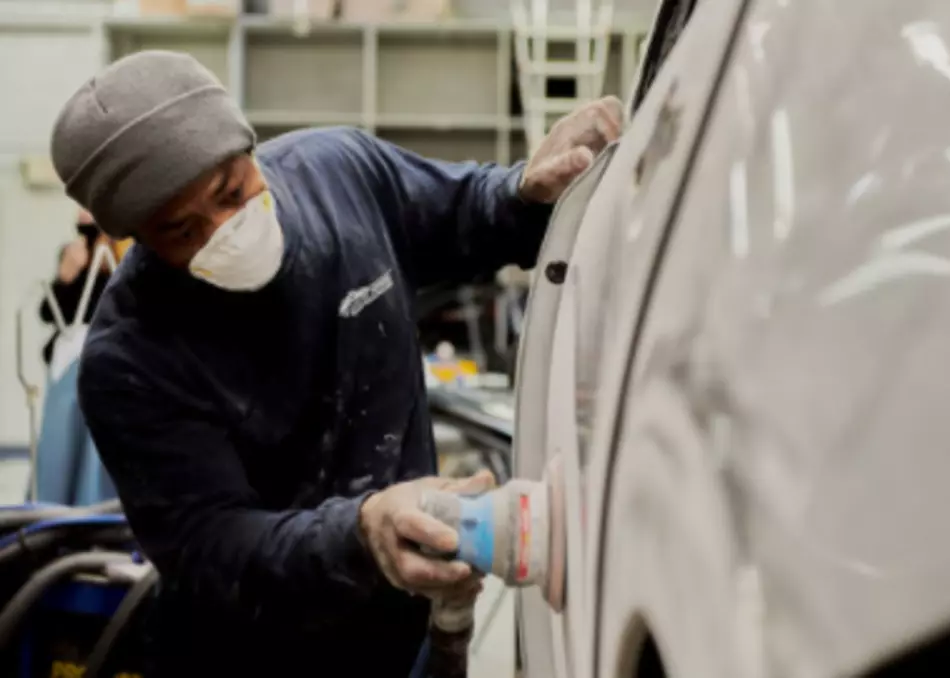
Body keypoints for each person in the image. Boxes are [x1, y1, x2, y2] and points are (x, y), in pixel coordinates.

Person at [49, 50, 621, 677]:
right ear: (136, 236)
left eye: (231, 192)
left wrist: (527, 191)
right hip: (252, 657)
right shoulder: (130, 358)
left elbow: (467, 213)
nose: (223, 230)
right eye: (181, 231)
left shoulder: (339, 176)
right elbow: (215, 550)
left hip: (403, 630)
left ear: (246, 147)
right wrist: (361, 532)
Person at [38, 209, 112, 365]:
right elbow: (47, 313)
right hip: (74, 352)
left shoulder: (121, 264)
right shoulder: (75, 260)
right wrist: (65, 278)